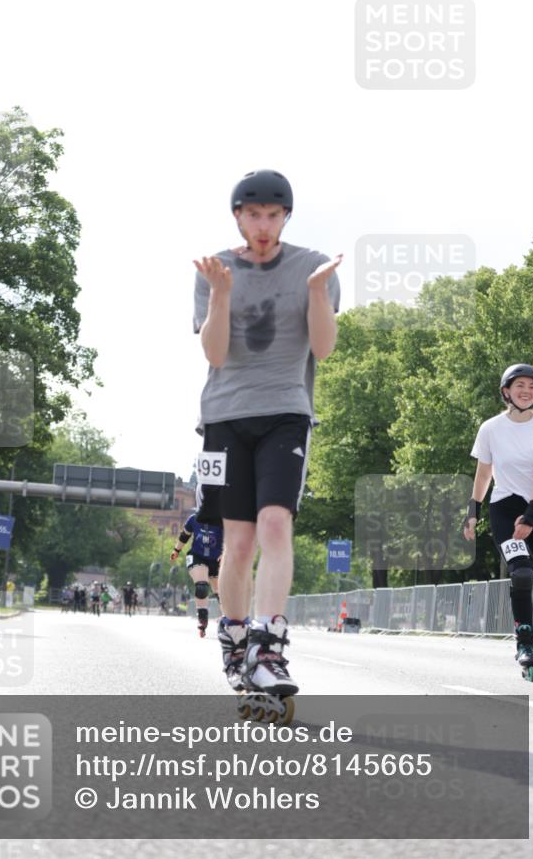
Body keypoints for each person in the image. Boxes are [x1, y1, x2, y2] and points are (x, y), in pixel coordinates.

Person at [193, 169, 341, 697]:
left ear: (286, 218)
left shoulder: (311, 267)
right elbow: (214, 353)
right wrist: (219, 294)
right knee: (238, 540)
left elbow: (322, 350)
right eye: (253, 214)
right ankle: (234, 642)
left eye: (273, 216)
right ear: (237, 215)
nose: (263, 225)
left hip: (286, 411)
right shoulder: (216, 267)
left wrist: (319, 294)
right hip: (225, 416)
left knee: (276, 525)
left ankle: (269, 647)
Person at [463, 364, 533, 681]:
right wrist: (473, 509)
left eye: (532, 386)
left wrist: (531, 514)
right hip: (503, 508)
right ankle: (525, 643)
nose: (527, 390)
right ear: (506, 392)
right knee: (522, 572)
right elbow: (485, 472)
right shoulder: (490, 429)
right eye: (520, 385)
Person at [170, 511, 223, 637]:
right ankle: (203, 619)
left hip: (217, 559)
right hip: (197, 556)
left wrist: (225, 552)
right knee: (201, 587)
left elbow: (231, 539)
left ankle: (226, 619)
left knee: (220, 592)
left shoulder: (223, 519)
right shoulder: (194, 519)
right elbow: (184, 535)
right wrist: (176, 550)